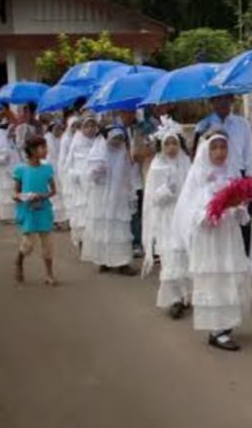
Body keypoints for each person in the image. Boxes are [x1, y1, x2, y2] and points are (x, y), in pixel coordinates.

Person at [174, 130, 252, 351]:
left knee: (229, 279)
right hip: (210, 239)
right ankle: (216, 330)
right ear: (206, 150)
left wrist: (237, 207)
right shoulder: (198, 176)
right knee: (214, 280)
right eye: (215, 148)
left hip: (228, 237)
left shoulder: (231, 173)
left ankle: (226, 326)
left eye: (223, 147)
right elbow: (191, 211)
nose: (220, 152)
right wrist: (213, 211)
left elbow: (242, 211)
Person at [140, 119, 192, 318]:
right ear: (161, 146)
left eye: (174, 144)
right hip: (166, 219)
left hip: (183, 217)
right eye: (167, 144)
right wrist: (165, 191)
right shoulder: (157, 166)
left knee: (184, 256)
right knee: (171, 257)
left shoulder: (186, 163)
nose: (171, 148)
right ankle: (174, 299)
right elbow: (152, 199)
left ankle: (186, 294)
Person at [194, 95, 252, 254]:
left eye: (225, 99)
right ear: (211, 102)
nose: (222, 103)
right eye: (217, 99)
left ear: (231, 100)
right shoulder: (203, 126)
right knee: (218, 222)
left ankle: (243, 260)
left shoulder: (242, 124)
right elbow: (197, 155)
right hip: (213, 177)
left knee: (242, 222)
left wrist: (249, 182)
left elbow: (249, 153)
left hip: (239, 177)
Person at [81, 126, 140, 275]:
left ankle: (122, 262)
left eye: (120, 139)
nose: (117, 142)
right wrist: (97, 172)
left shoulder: (123, 154)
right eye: (114, 139)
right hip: (101, 198)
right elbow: (88, 176)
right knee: (102, 228)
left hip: (119, 198)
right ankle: (103, 260)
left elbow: (129, 175)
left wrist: (131, 192)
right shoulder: (98, 153)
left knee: (120, 230)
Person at [13, 136, 57, 286]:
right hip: (29, 210)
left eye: (45, 147)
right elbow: (15, 193)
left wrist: (41, 196)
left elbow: (53, 191)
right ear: (32, 150)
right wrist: (23, 197)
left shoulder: (47, 169)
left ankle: (49, 274)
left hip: (43, 208)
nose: (45, 150)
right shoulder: (21, 170)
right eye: (42, 147)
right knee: (28, 244)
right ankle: (19, 261)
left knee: (47, 244)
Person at [119, 108, 157, 259]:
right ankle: (133, 242)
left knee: (141, 209)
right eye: (126, 112)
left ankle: (142, 242)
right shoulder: (116, 130)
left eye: (131, 111)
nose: (129, 114)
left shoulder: (143, 128)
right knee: (131, 211)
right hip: (124, 176)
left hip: (140, 175)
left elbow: (143, 152)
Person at [64, 116, 100, 248]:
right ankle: (83, 240)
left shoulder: (99, 142)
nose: (90, 129)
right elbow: (68, 165)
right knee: (82, 213)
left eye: (93, 126)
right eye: (87, 126)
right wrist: (76, 175)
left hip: (95, 184)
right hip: (80, 186)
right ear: (81, 129)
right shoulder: (76, 143)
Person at [0, 121, 21, 222]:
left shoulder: (10, 142)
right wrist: (3, 158)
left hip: (12, 172)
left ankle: (15, 215)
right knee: (5, 194)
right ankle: (7, 216)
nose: (13, 133)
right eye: (10, 130)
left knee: (13, 192)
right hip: (3, 173)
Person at [45, 119, 68, 229]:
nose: (58, 131)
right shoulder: (47, 139)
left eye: (60, 129)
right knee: (53, 195)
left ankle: (60, 219)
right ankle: (53, 220)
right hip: (50, 171)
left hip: (60, 171)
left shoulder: (62, 140)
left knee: (61, 195)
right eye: (56, 129)